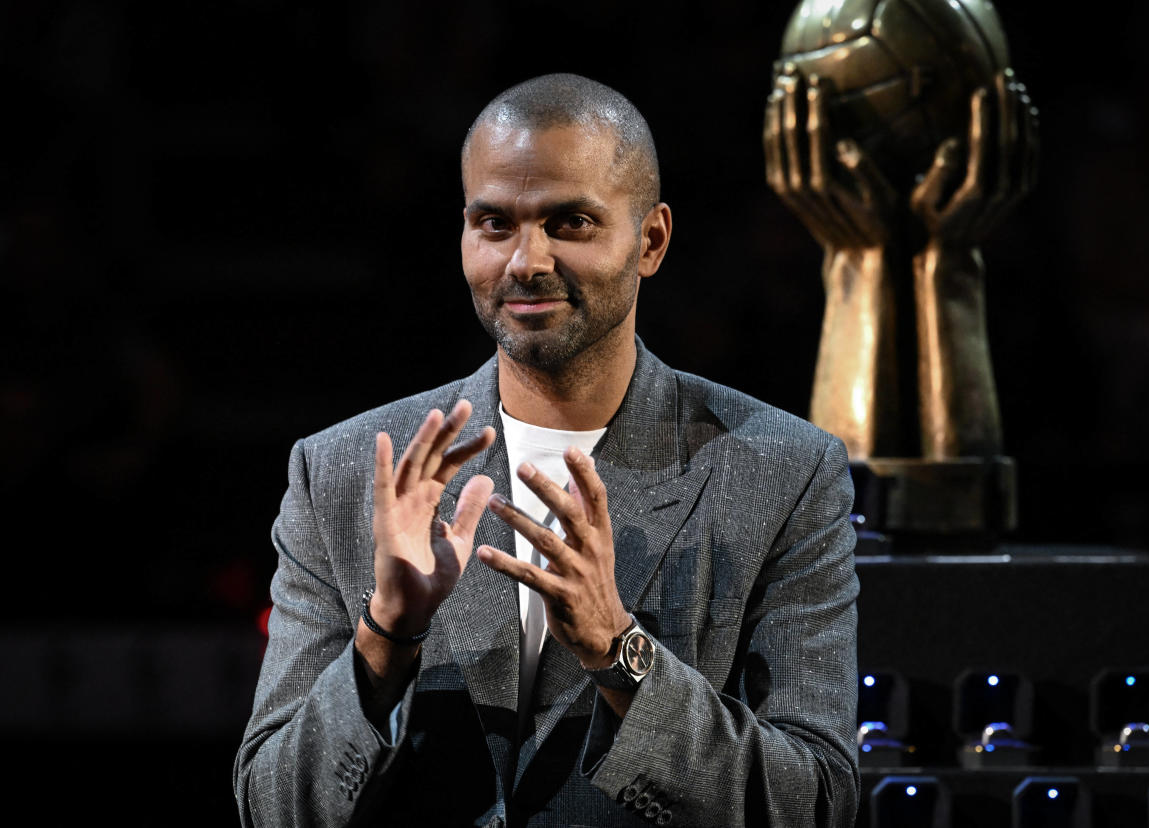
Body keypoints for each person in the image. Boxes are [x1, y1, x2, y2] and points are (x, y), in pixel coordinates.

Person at [234, 73, 860, 827]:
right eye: (494, 224)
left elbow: (816, 804)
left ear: (651, 240)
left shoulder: (785, 472)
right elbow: (272, 807)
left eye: (570, 223)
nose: (526, 260)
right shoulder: (338, 471)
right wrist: (384, 636)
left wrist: (620, 652)